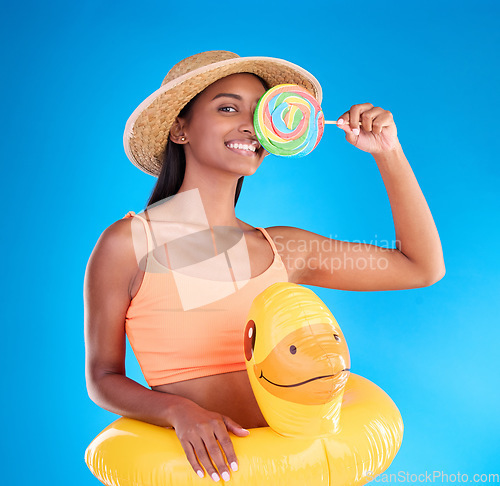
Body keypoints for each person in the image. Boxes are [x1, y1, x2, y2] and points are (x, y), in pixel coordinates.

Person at [84, 50, 445, 483]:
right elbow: (102, 376)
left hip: (297, 471)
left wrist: (388, 152)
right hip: (206, 474)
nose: (247, 125)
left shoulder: (285, 249)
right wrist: (177, 410)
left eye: (258, 114)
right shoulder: (129, 245)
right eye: (227, 107)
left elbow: (421, 267)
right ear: (180, 129)